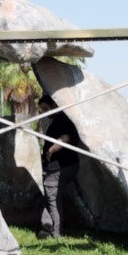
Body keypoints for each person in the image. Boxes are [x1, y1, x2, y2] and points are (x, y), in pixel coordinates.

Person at [37, 93, 80, 239]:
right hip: (65, 165)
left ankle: (56, 233)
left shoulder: (63, 119)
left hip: (59, 167)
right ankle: (50, 227)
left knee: (52, 199)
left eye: (45, 108)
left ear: (54, 105)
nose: (44, 112)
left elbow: (65, 138)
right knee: (53, 198)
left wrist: (51, 150)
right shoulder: (62, 119)